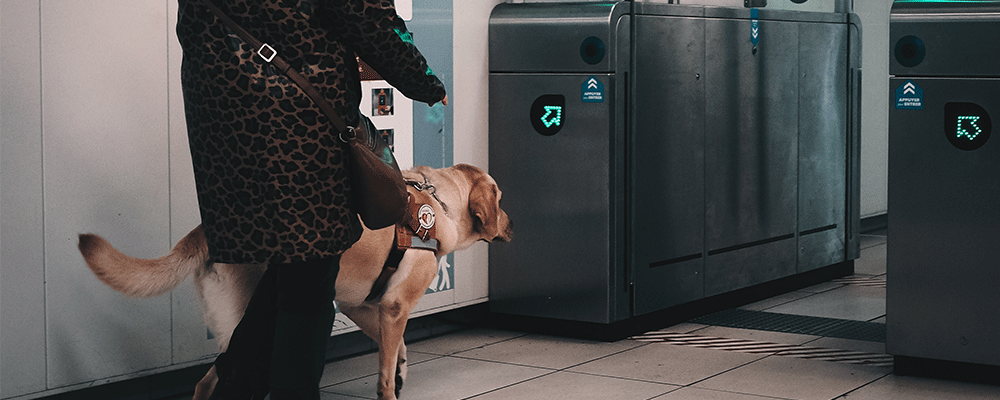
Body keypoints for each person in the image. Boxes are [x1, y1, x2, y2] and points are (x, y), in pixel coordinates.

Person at [175, 0, 447, 399]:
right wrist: (426, 82)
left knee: (290, 273)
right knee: (308, 282)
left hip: (220, 118)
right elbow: (368, 17)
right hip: (297, 125)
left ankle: (233, 391)